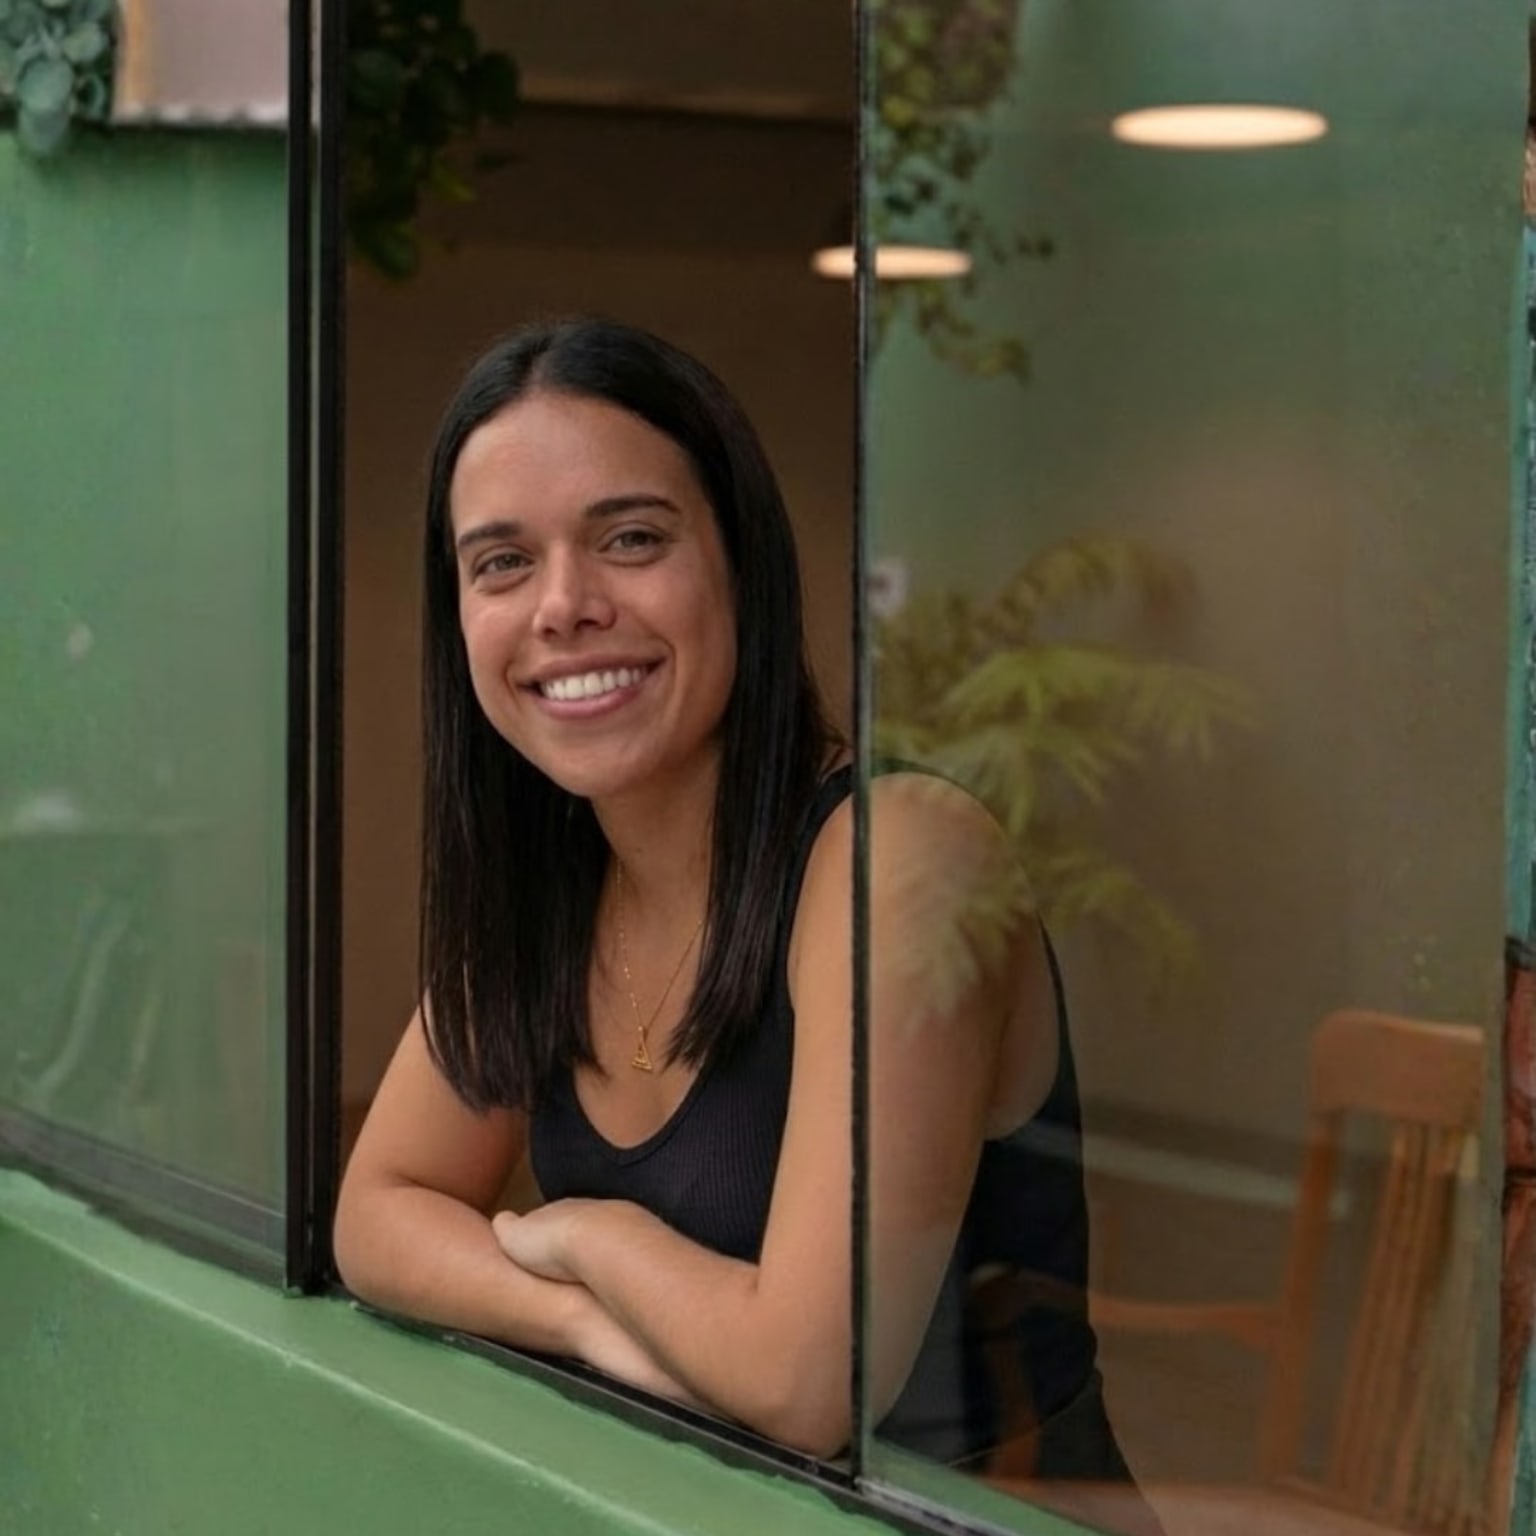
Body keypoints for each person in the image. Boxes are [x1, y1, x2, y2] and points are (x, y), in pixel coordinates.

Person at [334, 317, 1140, 1485]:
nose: (563, 604)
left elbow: (809, 1384)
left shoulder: (901, 856)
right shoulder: (555, 884)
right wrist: (577, 1318)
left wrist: (592, 1235)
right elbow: (376, 1213)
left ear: (743, 566)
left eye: (631, 538)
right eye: (501, 562)